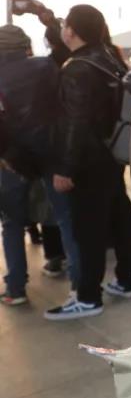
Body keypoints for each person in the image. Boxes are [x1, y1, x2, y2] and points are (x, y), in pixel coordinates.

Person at [45, 5, 131, 320]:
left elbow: (75, 122)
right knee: (120, 217)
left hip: (88, 160)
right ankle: (126, 280)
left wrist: (65, 168)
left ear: (71, 31)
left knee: (88, 230)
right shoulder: (110, 59)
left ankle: (88, 297)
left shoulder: (77, 68)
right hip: (113, 152)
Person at [0, 24, 81, 304]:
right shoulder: (45, 66)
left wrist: (7, 155)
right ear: (25, 45)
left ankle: (15, 289)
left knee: (11, 224)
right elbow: (63, 108)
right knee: (66, 220)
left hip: (12, 160)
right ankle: (80, 288)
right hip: (50, 153)